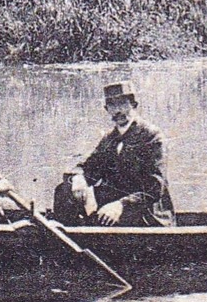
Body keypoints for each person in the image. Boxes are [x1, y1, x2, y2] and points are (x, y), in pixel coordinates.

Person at [53, 82, 175, 227]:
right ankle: (65, 236)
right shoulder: (110, 139)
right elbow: (90, 168)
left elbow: (155, 188)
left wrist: (120, 205)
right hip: (114, 208)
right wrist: (79, 178)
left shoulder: (152, 137)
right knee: (64, 190)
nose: (118, 111)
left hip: (146, 214)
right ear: (107, 109)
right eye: (112, 105)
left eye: (123, 104)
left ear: (134, 105)